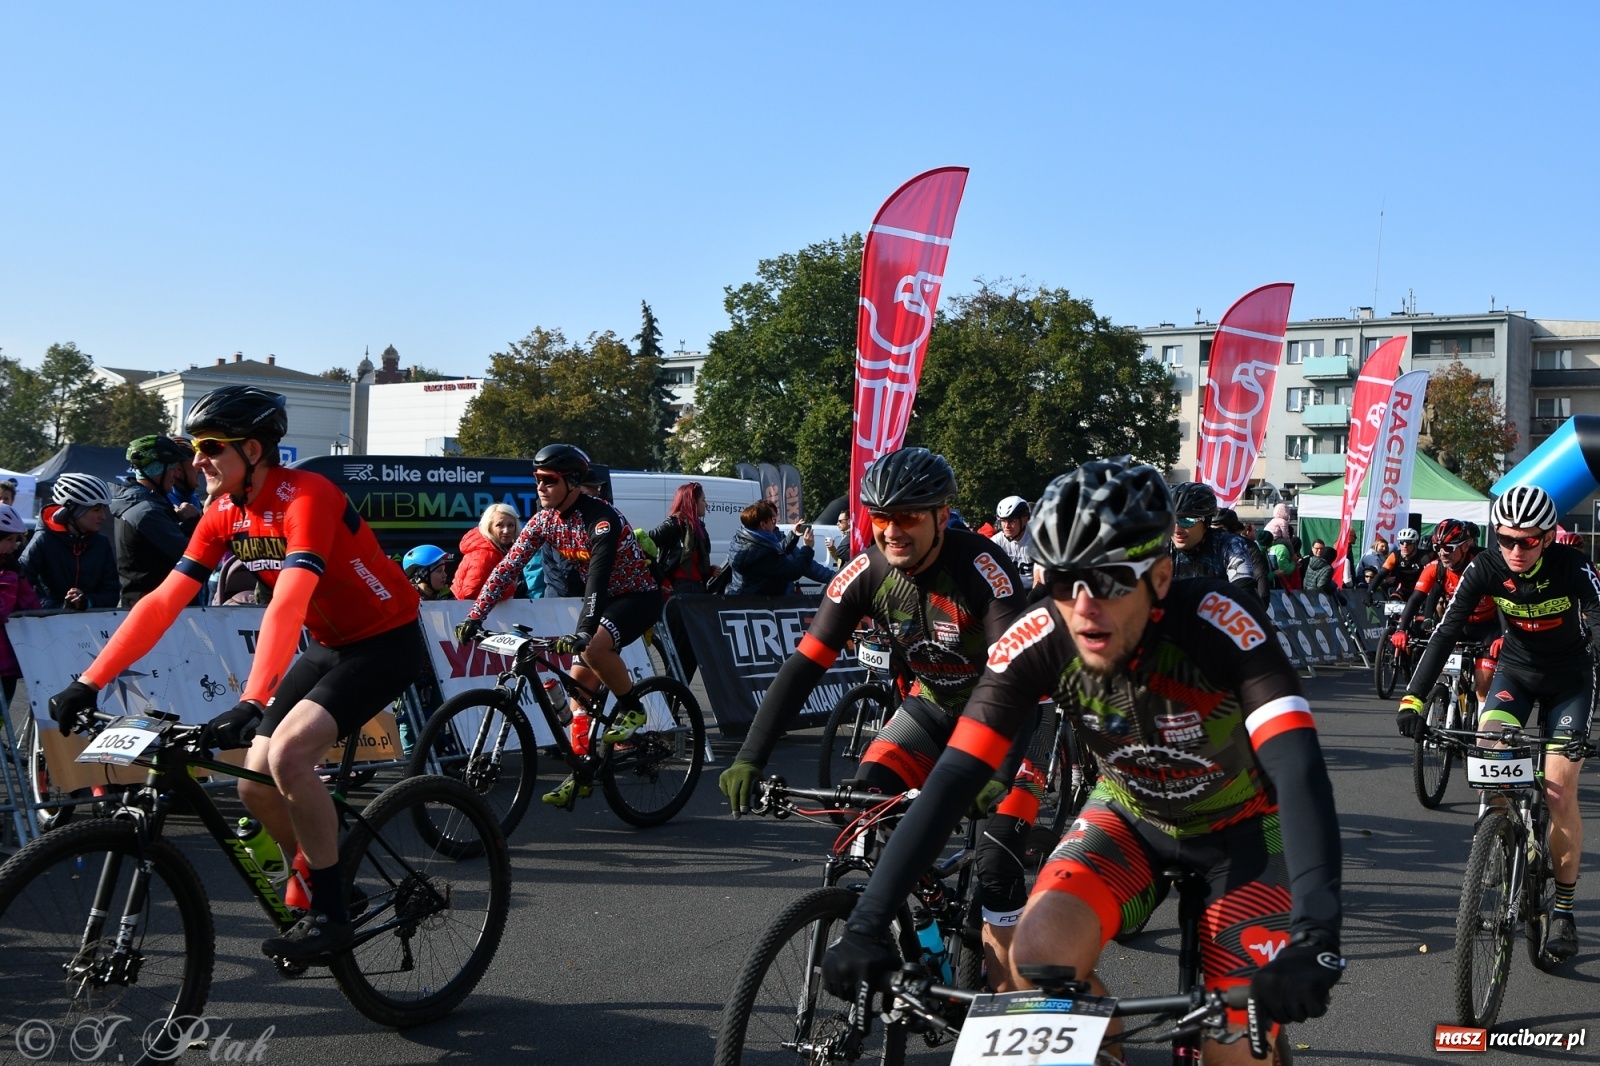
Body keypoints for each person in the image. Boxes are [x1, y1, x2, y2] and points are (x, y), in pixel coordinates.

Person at [820, 458, 1345, 1062]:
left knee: (1231, 1046)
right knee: (1036, 954)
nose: (1086, 606)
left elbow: (1300, 773)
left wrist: (1316, 933)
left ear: (1162, 576)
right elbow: (954, 778)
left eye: (1113, 580)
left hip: (1247, 829)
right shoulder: (1037, 636)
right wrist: (866, 922)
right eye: (1066, 581)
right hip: (1132, 817)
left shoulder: (1220, 623)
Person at [47, 385, 425, 961]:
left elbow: (288, 602)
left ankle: (330, 913)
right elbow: (162, 602)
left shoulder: (308, 496)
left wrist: (253, 699)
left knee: (289, 756)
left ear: (252, 449)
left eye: (210, 447)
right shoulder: (224, 511)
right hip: (329, 644)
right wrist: (89, 680)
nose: (197, 460)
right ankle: (327, 874)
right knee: (253, 783)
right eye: (195, 448)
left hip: (385, 641)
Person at [719, 447, 1039, 991]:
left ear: (942, 514)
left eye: (908, 516)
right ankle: (912, 929)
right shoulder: (863, 572)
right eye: (881, 516)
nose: (892, 530)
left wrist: (1002, 773)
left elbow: (1020, 679)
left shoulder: (983, 565)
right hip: (934, 705)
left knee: (997, 861)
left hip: (1007, 715)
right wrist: (751, 755)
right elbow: (802, 667)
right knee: (861, 809)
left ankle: (1006, 993)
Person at [1399, 486, 1599, 960]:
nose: (1514, 551)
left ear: (1547, 538)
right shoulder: (1486, 566)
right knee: (1489, 750)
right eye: (1505, 539)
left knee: (1558, 788)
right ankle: (1498, 836)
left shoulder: (1573, 566)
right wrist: (1414, 698)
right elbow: (1447, 630)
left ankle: (1565, 913)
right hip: (1516, 673)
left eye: (1526, 542)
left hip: (1570, 680)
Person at [453, 444, 660, 808]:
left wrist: (584, 630)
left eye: (549, 480)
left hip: (636, 596)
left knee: (594, 647)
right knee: (579, 695)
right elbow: (507, 568)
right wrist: (475, 614)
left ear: (573, 482)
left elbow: (596, 580)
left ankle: (632, 707)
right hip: (602, 602)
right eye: (537, 480)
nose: (540, 487)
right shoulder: (544, 520)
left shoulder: (601, 519)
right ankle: (582, 772)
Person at [1392, 518, 1499, 707]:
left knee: (1483, 686)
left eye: (1449, 548)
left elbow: (1503, 601)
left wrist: (1504, 635)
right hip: (1460, 624)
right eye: (1438, 547)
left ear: (1465, 547)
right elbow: (1416, 598)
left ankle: (1482, 731)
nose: (1442, 553)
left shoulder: (1483, 564)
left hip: (1488, 626)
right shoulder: (1435, 567)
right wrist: (1401, 629)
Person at [110, 435, 194, 607]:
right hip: (151, 608)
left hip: (142, 603)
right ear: (156, 469)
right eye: (171, 467)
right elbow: (190, 558)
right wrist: (191, 522)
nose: (176, 474)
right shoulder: (147, 511)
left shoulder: (137, 502)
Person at [647, 482, 717, 682]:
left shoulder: (698, 527)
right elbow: (643, 545)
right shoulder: (673, 524)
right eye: (703, 500)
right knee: (680, 651)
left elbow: (695, 563)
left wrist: (710, 571)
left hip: (696, 592)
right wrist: (661, 578)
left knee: (693, 652)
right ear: (692, 502)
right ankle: (670, 703)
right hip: (677, 592)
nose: (706, 504)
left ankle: (676, 701)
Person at [19, 474, 119, 612]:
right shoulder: (43, 540)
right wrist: (58, 607)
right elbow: (20, 588)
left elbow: (112, 593)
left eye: (103, 509)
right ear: (74, 511)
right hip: (47, 626)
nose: (103, 516)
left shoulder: (101, 543)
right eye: (96, 510)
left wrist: (86, 602)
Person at [1167, 481, 1260, 599]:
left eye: (1186, 521)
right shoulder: (1161, 546)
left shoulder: (1229, 544)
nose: (1176, 529)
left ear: (1206, 522)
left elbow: (1244, 596)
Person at [725, 500, 819, 596]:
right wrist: (807, 548)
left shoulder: (741, 538)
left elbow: (775, 551)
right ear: (763, 524)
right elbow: (793, 571)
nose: (774, 523)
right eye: (772, 520)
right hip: (758, 603)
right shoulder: (762, 553)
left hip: (738, 598)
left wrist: (793, 536)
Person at [0, 504, 40, 706]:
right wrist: (10, 579)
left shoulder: (12, 570)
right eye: (8, 540)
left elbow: (31, 607)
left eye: (15, 540)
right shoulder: (9, 573)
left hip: (5, 666)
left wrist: (17, 578)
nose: (14, 546)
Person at [452, 502, 519, 602]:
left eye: (510, 525)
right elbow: (470, 593)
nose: (506, 531)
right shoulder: (485, 554)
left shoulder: (497, 549)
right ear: (489, 527)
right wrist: (511, 588)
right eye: (499, 525)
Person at [1217, 508, 1271, 604]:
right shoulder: (1201, 547)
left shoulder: (1248, 546)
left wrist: (1261, 605)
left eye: (1219, 530)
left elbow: (1261, 576)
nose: (1215, 535)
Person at [1374, 527, 1430, 599]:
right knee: (1392, 602)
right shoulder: (1395, 555)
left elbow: (1431, 577)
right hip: (1402, 590)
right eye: (1402, 542)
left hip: (1420, 590)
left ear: (1414, 544)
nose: (1405, 546)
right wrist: (1369, 592)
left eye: (1409, 542)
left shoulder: (1424, 557)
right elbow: (1380, 575)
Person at [991, 495, 1033, 575]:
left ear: (1025, 519)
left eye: (1012, 520)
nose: (1006, 526)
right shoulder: (996, 542)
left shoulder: (1037, 540)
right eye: (1003, 521)